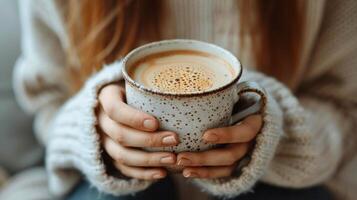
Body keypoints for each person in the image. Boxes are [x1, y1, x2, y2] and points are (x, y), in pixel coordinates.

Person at [3, 0, 356, 199]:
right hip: (120, 186)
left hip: (272, 181)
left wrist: (275, 130)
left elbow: (344, 106)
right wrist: (92, 127)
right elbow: (49, 100)